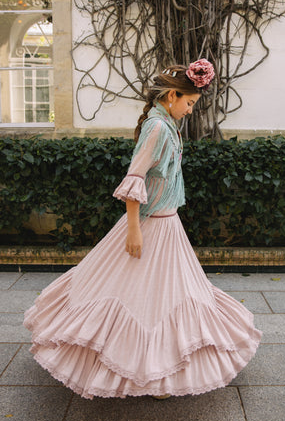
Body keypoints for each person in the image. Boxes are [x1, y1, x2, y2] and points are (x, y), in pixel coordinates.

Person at [24, 59, 262, 400]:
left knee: (167, 294)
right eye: (190, 103)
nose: (191, 110)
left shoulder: (166, 124)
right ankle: (147, 370)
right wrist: (133, 230)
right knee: (148, 295)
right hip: (151, 225)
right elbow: (136, 177)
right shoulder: (157, 128)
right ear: (171, 96)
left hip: (167, 224)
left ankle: (157, 370)